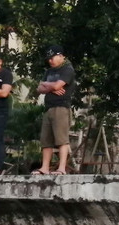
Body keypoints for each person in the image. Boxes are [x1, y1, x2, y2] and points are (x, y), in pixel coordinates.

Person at [33, 45, 76, 175]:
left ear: (61, 56)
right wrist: (51, 87)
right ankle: (44, 167)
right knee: (46, 140)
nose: (50, 61)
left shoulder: (67, 69)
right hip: (48, 107)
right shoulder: (48, 72)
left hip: (61, 107)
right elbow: (39, 88)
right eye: (49, 59)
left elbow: (58, 85)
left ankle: (61, 168)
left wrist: (47, 85)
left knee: (62, 139)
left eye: (53, 58)